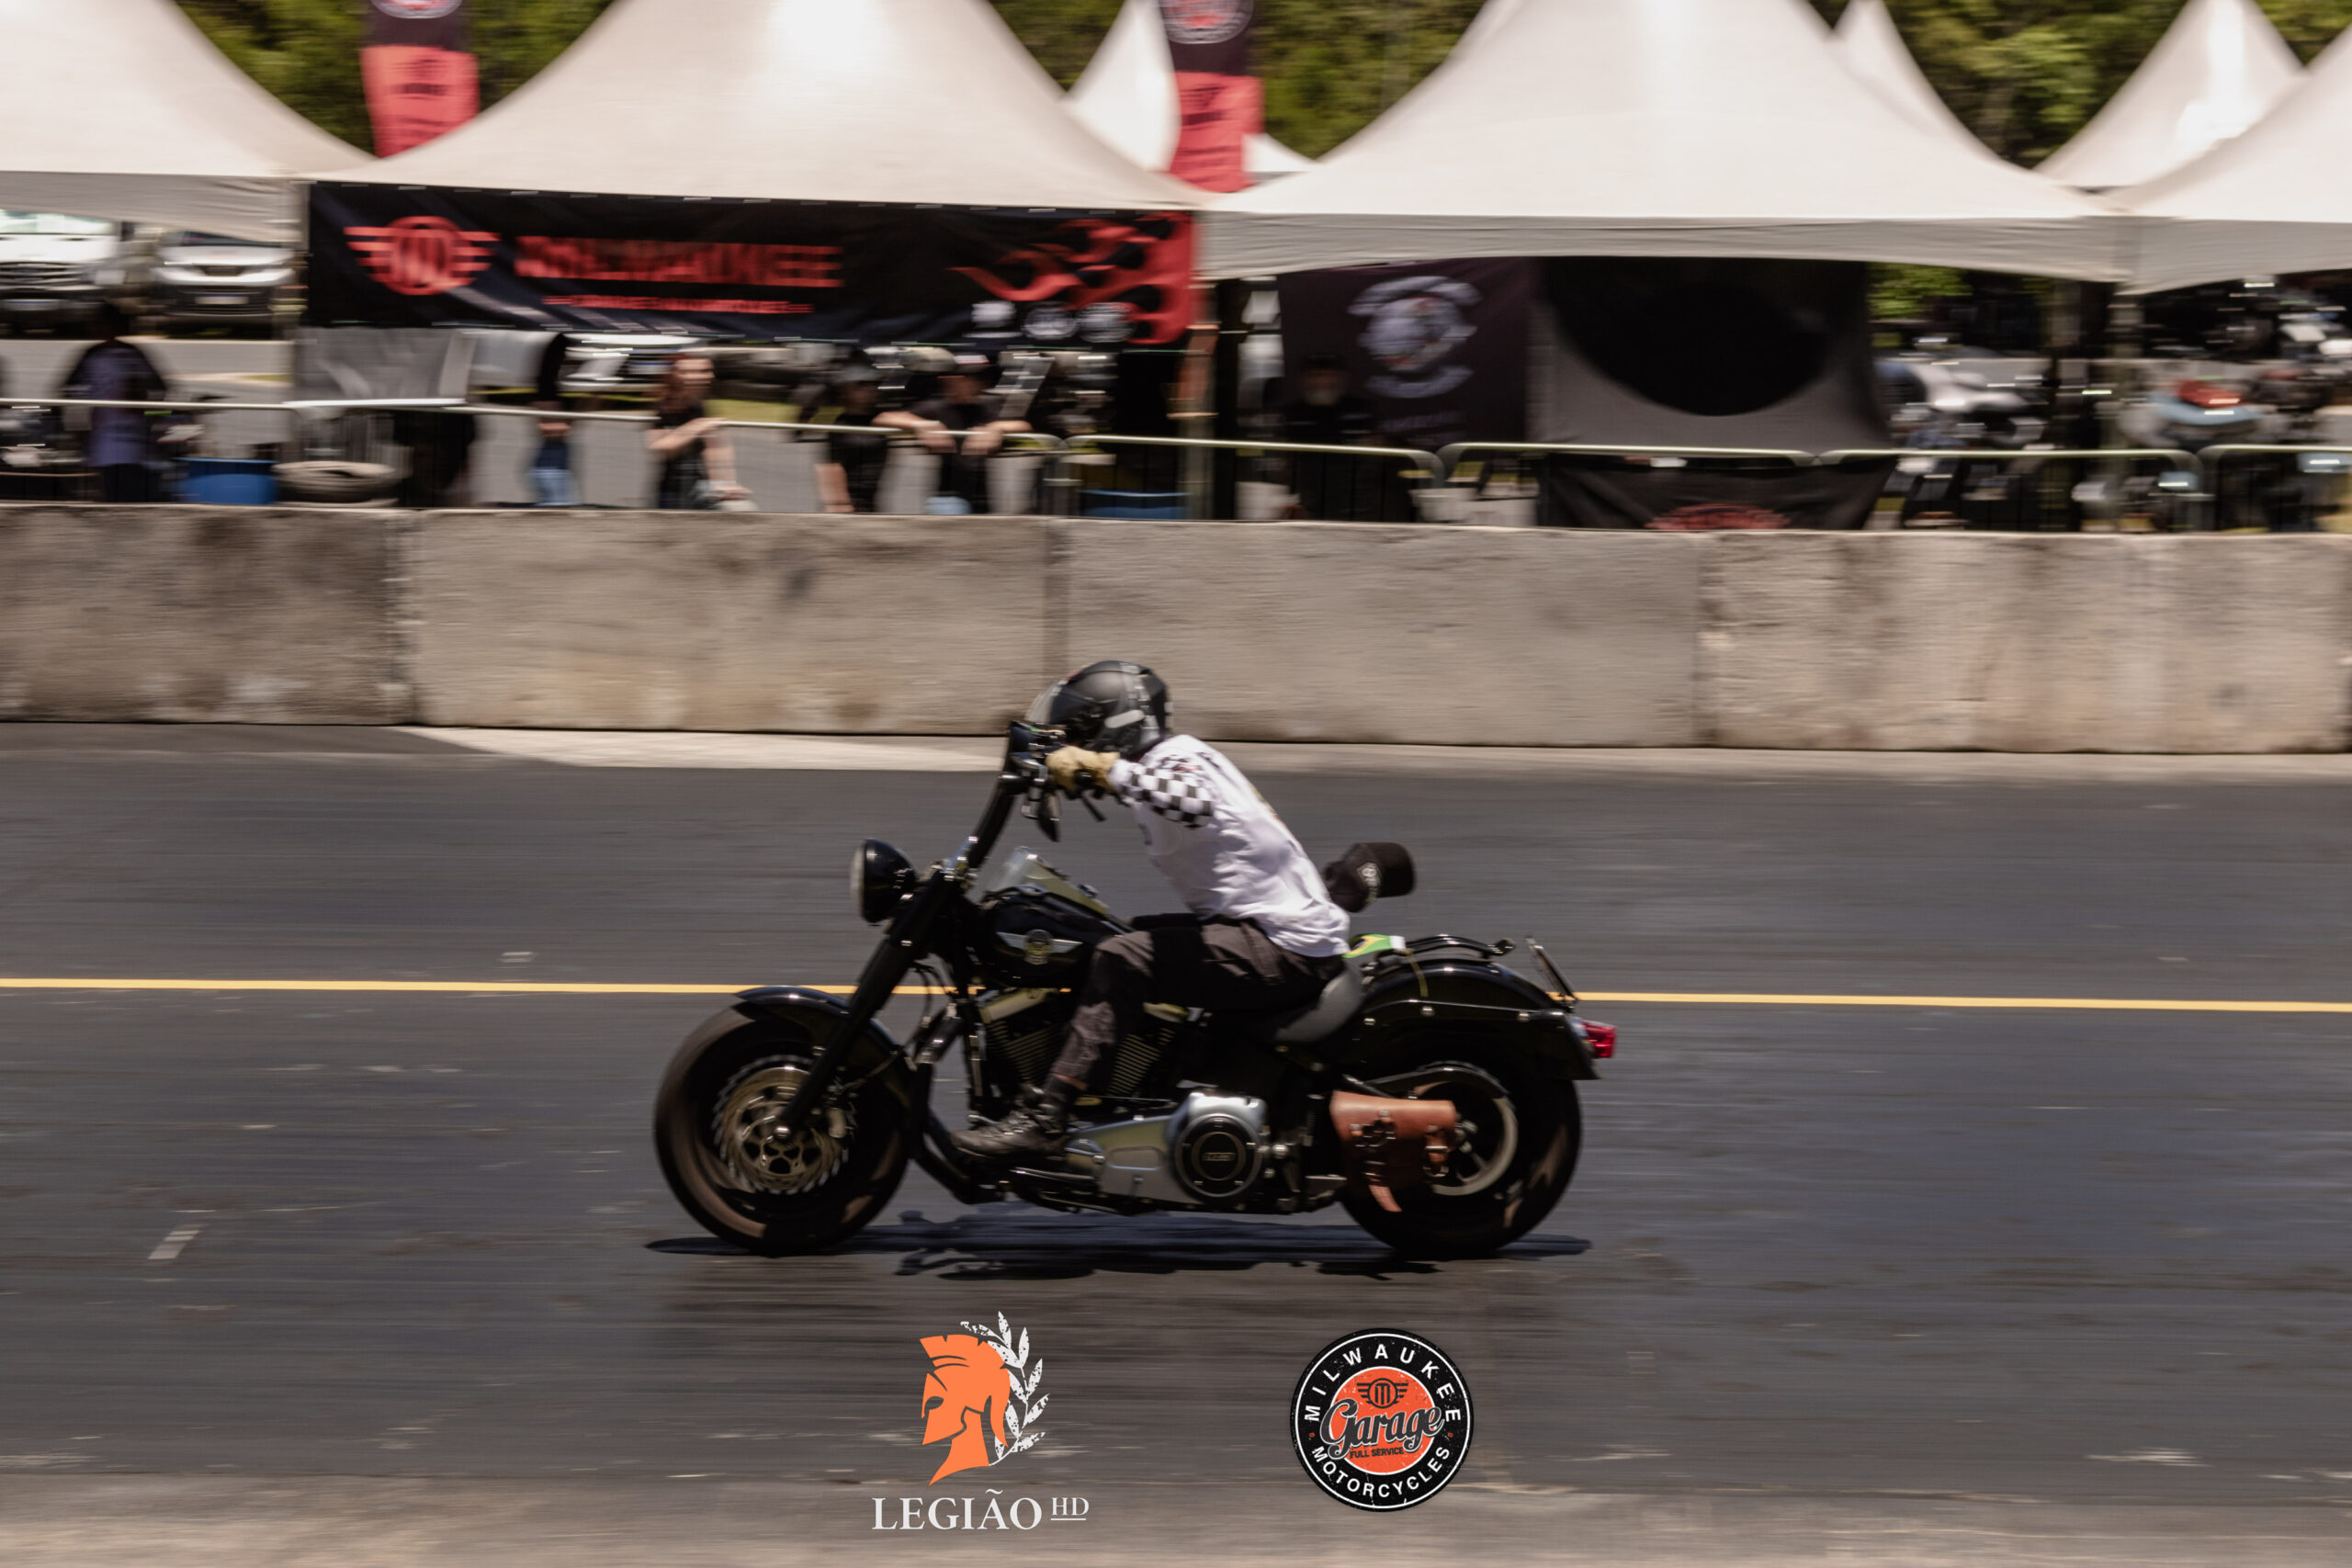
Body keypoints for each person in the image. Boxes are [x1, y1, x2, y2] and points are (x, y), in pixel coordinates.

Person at [948, 661, 1350, 1164]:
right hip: (1260, 930)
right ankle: (1132, 1086)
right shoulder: (1169, 761)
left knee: (1123, 959)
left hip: (1283, 944)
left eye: (1079, 731)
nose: (1075, 743)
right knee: (1106, 938)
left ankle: (1048, 1118)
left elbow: (1191, 802)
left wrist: (1100, 768)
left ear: (1117, 721)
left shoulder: (1179, 759)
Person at [879, 360, 1029, 514]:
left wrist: (997, 427)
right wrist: (921, 424)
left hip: (986, 496)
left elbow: (1023, 426)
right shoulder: (936, 407)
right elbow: (885, 418)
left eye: (979, 379)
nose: (977, 384)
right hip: (949, 496)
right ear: (953, 380)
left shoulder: (989, 405)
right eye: (970, 379)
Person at [58, 303, 169, 502]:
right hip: (104, 439)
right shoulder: (92, 355)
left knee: (129, 490)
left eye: (101, 323)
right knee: (110, 490)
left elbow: (161, 388)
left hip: (133, 440)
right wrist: (76, 428)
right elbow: (66, 390)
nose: (96, 328)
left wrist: (148, 414)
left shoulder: (133, 354)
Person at [1277, 353, 1379, 521]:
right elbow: (1285, 460)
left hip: (1354, 494)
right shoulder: (1292, 413)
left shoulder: (1360, 409)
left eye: (1327, 375)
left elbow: (1373, 452)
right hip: (1309, 493)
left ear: (1339, 378)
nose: (1321, 381)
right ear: (1304, 379)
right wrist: (1289, 496)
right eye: (1315, 376)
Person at [646, 352, 746, 510]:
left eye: (706, 371)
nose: (706, 376)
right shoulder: (663, 407)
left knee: (740, 508)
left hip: (700, 487)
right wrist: (698, 426)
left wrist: (726, 483)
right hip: (672, 491)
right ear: (677, 375)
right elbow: (662, 448)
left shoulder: (701, 405)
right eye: (695, 372)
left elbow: (715, 447)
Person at [814, 371, 890, 514]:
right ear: (847, 389)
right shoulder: (841, 424)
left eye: (874, 384)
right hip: (846, 503)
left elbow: (902, 417)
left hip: (871, 503)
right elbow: (830, 465)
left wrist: (921, 425)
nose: (871, 389)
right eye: (862, 385)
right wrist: (839, 502)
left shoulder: (880, 417)